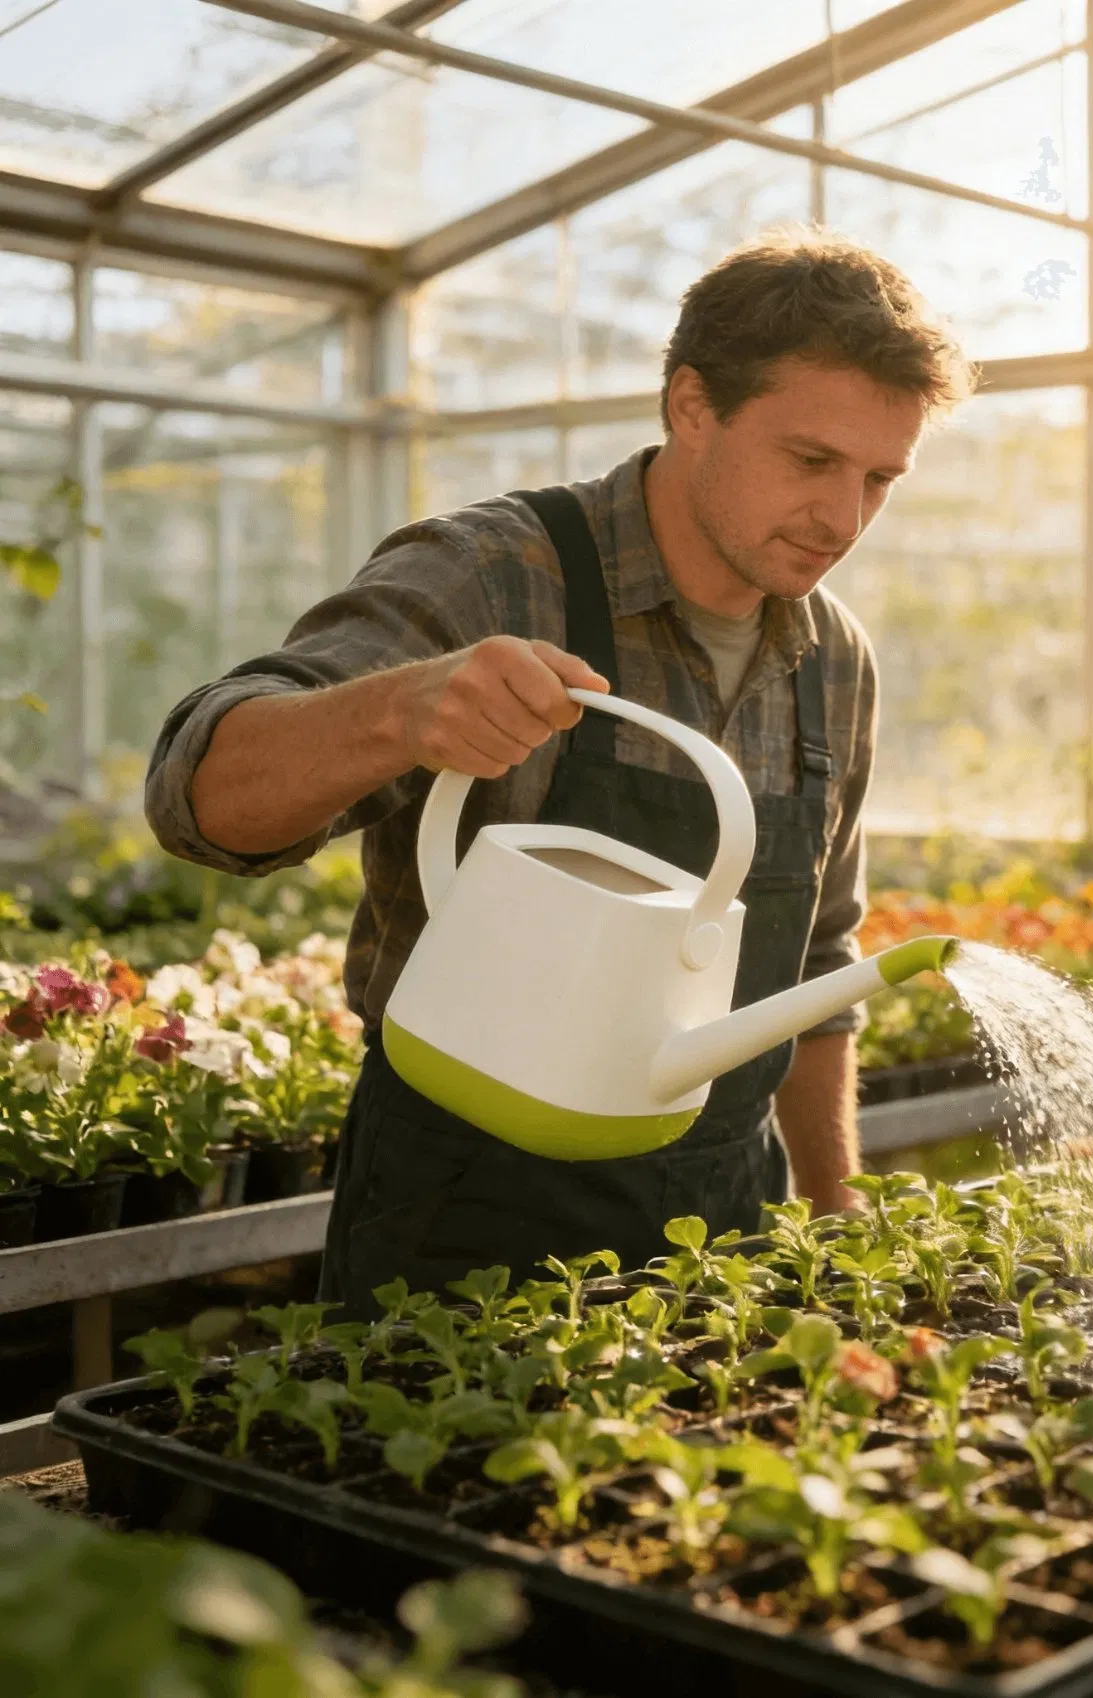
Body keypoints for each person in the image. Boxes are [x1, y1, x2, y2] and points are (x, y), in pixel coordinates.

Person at [145, 231, 973, 1316]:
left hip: (720, 1224)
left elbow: (815, 969)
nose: (844, 519)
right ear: (690, 408)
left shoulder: (834, 659)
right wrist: (403, 707)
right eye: (811, 461)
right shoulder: (496, 575)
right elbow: (195, 797)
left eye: (881, 479)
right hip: (463, 1220)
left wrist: (834, 1215)